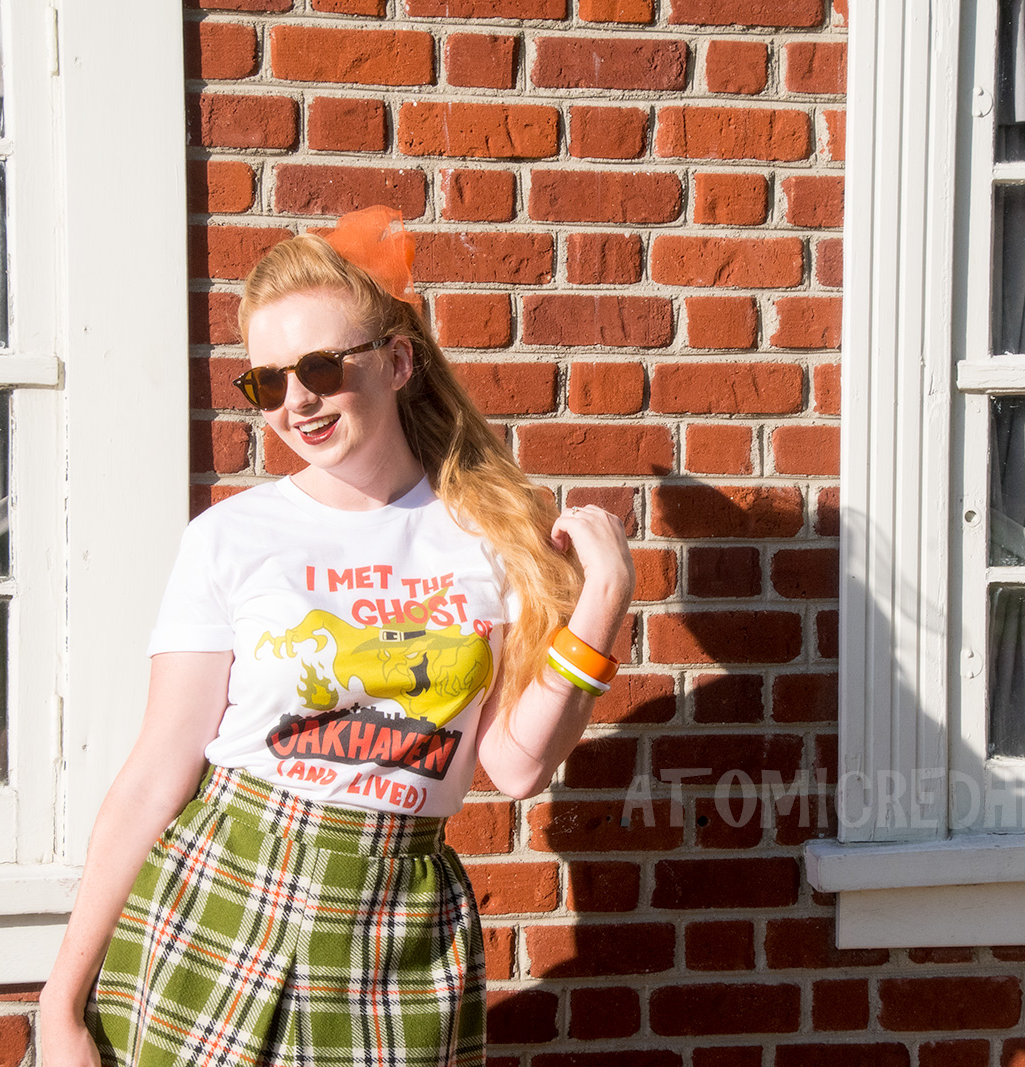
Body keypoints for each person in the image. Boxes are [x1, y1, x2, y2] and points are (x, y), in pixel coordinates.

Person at [38, 206, 634, 1067]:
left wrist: (602, 600)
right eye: (267, 382)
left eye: (319, 366)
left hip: (398, 922)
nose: (296, 402)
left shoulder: (492, 538)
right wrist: (61, 1008)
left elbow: (515, 764)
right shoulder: (230, 536)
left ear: (397, 362)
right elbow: (156, 772)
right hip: (226, 893)